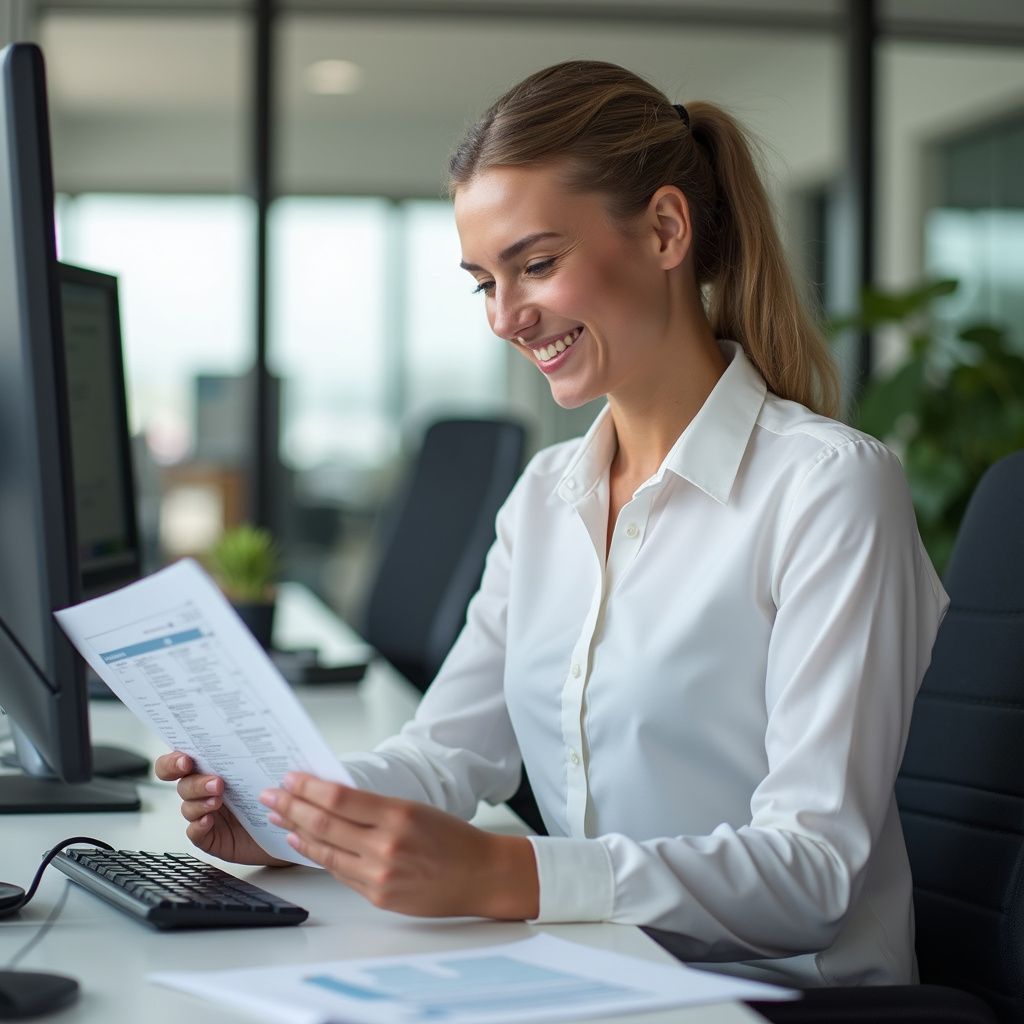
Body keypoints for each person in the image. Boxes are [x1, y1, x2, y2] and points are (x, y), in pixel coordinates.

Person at [156, 60, 948, 989]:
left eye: (536, 264)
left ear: (664, 230)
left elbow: (813, 871)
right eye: (482, 282)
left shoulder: (828, 489)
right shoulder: (545, 495)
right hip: (600, 974)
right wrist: (290, 814)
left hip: (779, 998)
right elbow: (448, 753)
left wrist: (508, 871)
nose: (505, 316)